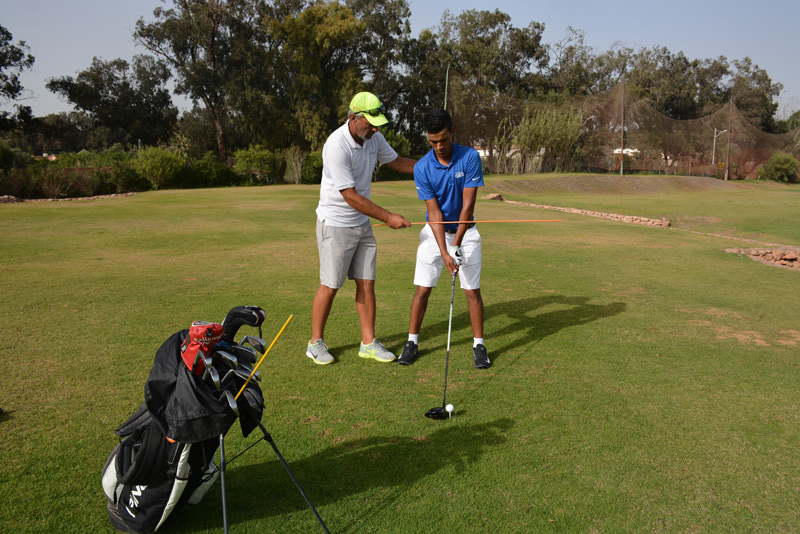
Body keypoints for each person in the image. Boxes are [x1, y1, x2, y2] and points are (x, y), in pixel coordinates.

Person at [306, 92, 416, 365]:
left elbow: (398, 162)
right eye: (369, 122)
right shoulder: (336, 146)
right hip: (336, 223)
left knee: (367, 283)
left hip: (361, 223)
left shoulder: (373, 137)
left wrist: (437, 167)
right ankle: (315, 343)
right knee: (330, 285)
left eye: (377, 122)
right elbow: (350, 196)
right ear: (353, 118)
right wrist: (388, 217)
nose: (375, 128)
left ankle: (368, 343)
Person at [398, 108, 490, 369]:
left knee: (472, 291)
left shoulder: (470, 157)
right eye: (432, 141)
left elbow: (467, 208)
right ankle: (412, 342)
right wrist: (446, 251)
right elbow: (434, 212)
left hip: (466, 233)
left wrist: (457, 245)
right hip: (434, 232)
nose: (438, 146)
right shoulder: (423, 167)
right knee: (423, 289)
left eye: (443, 140)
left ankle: (479, 345)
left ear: (453, 134)